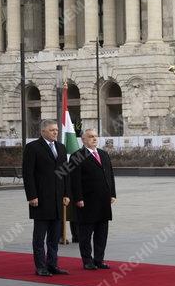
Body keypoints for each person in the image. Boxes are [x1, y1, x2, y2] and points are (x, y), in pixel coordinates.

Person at [22, 119, 70, 277]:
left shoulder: (61, 147)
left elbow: (65, 173)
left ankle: (53, 264)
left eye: (56, 130)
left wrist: (66, 194)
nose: (56, 132)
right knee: (40, 236)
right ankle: (41, 267)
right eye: (52, 130)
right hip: (41, 199)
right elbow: (28, 174)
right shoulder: (32, 148)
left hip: (58, 199)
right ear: (43, 131)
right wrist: (32, 196)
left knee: (54, 236)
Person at [68, 129, 116, 270]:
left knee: (102, 233)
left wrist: (112, 194)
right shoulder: (77, 156)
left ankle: (99, 259)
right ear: (83, 140)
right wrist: (78, 198)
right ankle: (87, 261)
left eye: (95, 136)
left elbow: (110, 176)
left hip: (103, 202)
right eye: (90, 137)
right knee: (85, 234)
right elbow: (74, 180)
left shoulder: (103, 154)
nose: (94, 139)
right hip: (86, 202)